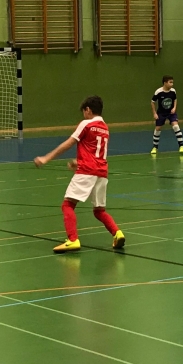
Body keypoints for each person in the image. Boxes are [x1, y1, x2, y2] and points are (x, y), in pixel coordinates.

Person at [34, 95, 125, 253]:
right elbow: (95, 152)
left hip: (87, 171)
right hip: (102, 172)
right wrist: (79, 161)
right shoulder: (105, 127)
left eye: (84, 112)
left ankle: (72, 239)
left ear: (88, 110)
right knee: (99, 211)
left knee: (67, 205)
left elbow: (69, 143)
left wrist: (46, 158)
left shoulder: (86, 124)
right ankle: (117, 233)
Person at [150, 75, 183, 154]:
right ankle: (155, 147)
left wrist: (174, 108)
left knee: (176, 126)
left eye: (172, 82)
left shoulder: (173, 91)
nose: (172, 84)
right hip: (161, 113)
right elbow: (152, 102)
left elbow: (175, 99)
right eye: (170, 82)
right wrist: (154, 113)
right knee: (158, 129)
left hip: (171, 113)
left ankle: (181, 146)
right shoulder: (158, 92)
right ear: (165, 83)